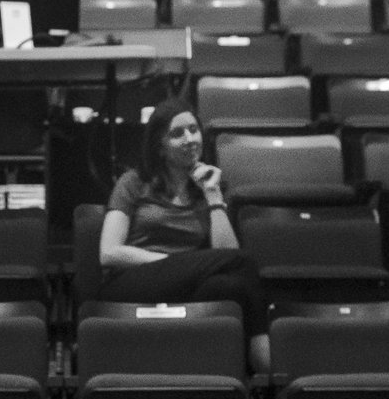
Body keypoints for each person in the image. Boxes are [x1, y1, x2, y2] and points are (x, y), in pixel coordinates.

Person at [97, 102, 270, 367]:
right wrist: (172, 263)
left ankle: (217, 375)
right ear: (160, 147)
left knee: (229, 287)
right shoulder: (133, 182)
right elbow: (109, 253)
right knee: (245, 262)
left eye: (193, 129)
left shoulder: (209, 186)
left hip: (188, 284)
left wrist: (213, 196)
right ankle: (263, 361)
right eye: (177, 133)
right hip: (134, 282)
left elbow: (226, 253)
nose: (190, 139)